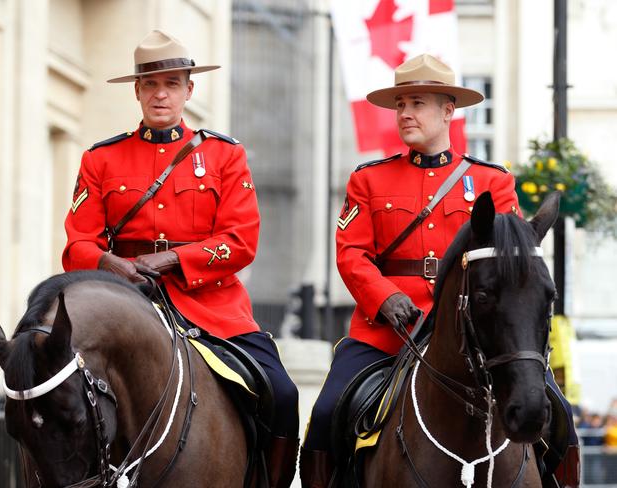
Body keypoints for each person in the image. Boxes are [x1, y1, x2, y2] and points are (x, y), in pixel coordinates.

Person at [300, 54, 579, 488]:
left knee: (558, 415)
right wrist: (383, 296)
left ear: (448, 111)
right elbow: (351, 253)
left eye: (417, 103)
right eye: (400, 105)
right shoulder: (369, 180)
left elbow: (510, 265)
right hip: (388, 332)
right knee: (326, 412)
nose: (406, 113)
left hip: (477, 331)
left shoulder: (492, 182)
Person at [63, 30, 299, 487]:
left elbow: (241, 239)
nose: (161, 93)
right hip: (123, 301)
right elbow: (77, 246)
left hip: (211, 305)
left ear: (189, 89)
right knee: (51, 388)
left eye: (172, 83)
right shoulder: (102, 159)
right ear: (136, 91)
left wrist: (170, 261)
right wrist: (112, 264)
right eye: (150, 84)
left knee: (283, 394)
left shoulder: (224, 155)